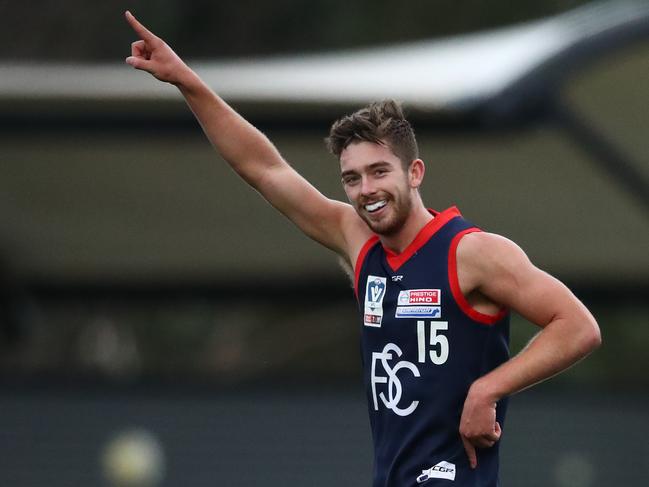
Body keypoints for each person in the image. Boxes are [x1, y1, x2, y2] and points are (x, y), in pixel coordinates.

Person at [124, 11, 601, 486]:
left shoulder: (471, 253)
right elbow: (264, 169)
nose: (366, 189)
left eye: (379, 171)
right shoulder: (358, 242)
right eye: (352, 178)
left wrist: (488, 388)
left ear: (414, 173)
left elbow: (578, 327)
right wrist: (187, 81)